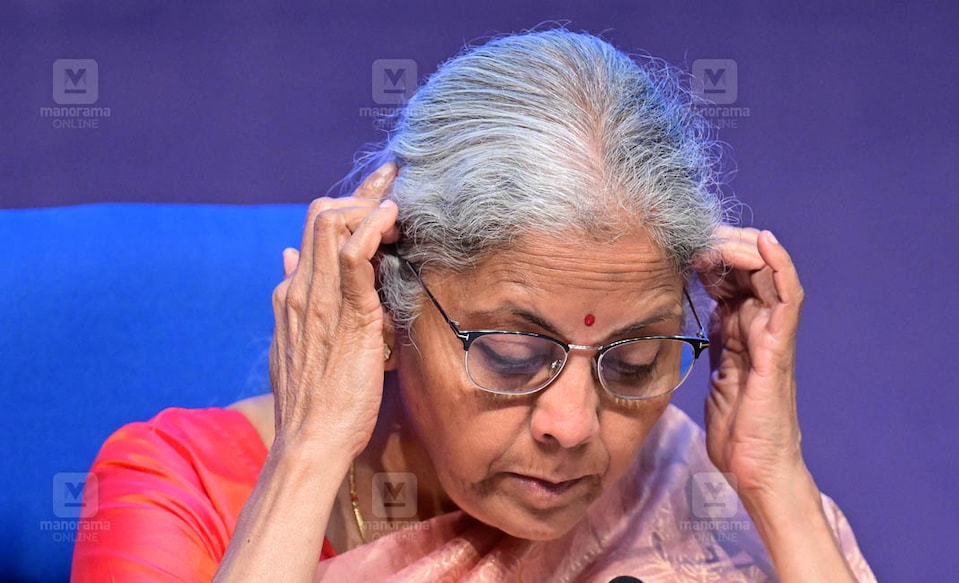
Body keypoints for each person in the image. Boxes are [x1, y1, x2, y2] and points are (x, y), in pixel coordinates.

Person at [72, 29, 875, 582]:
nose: (573, 425)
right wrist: (310, 451)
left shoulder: (683, 488)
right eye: (514, 355)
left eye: (633, 362)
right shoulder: (170, 482)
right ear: (389, 307)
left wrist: (776, 480)